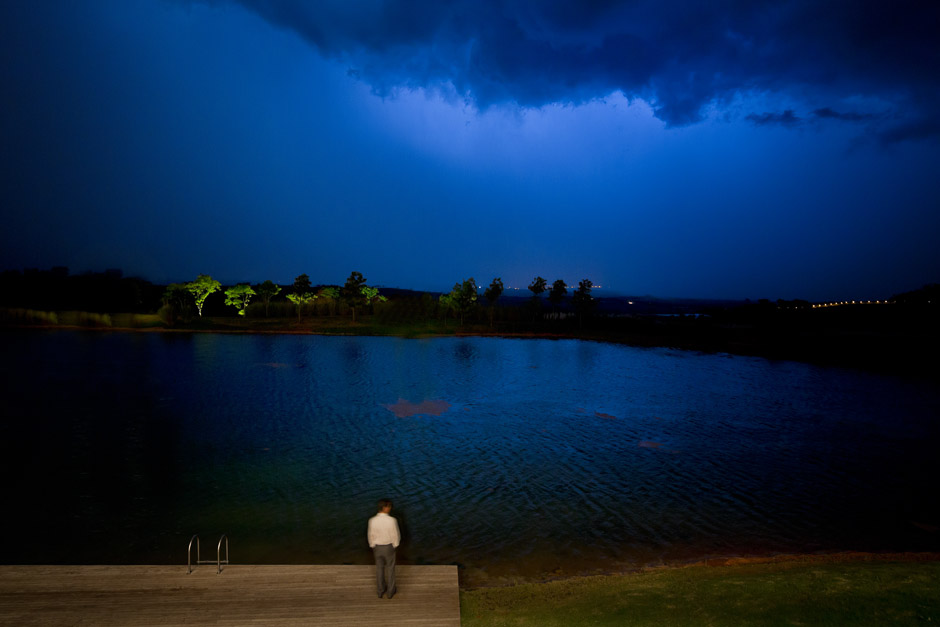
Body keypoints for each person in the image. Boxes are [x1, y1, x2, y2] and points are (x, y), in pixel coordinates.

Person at [367, 499, 400, 599]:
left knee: (379, 568)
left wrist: (372, 545)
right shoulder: (392, 520)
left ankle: (380, 591)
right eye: (389, 506)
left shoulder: (372, 520)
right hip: (388, 547)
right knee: (390, 569)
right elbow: (395, 534)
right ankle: (390, 591)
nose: (390, 508)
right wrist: (395, 545)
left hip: (377, 547)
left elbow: (370, 534)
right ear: (385, 507)